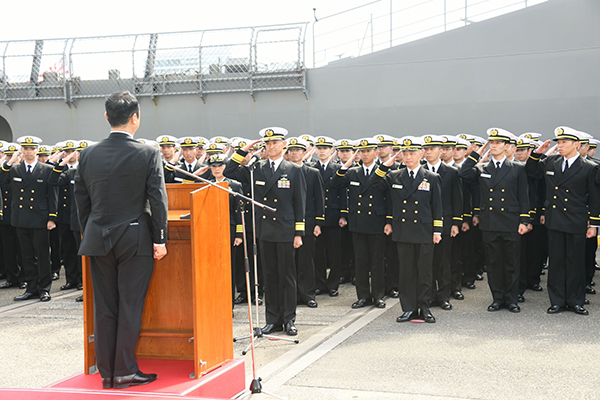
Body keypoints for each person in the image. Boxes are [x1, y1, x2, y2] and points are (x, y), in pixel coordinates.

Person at [75, 91, 168, 389]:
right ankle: (125, 370)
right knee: (130, 304)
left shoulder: (88, 153)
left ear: (106, 117)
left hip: (97, 236)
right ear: (135, 118)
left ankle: (107, 373)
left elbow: (82, 200)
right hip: (134, 236)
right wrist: (160, 238)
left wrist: (88, 229)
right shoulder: (148, 153)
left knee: (105, 306)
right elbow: (157, 199)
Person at [224, 127, 306, 336]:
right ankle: (273, 320)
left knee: (287, 276)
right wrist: (245, 149)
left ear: (283, 145)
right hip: (266, 230)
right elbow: (229, 171)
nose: (271, 147)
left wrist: (298, 233)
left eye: (275, 143)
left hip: (286, 229)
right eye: (267, 144)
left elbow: (300, 203)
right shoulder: (256, 168)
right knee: (269, 276)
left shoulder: (294, 169)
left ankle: (289, 319)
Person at [526, 126, 600, 315]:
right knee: (557, 262)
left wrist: (594, 224)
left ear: (576, 144)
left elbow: (594, 198)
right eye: (558, 142)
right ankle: (557, 301)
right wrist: (536, 154)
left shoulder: (589, 167)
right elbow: (531, 171)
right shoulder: (551, 162)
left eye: (564, 142)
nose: (560, 146)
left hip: (576, 220)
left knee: (575, 262)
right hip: (556, 219)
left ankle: (576, 301)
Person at [371, 136, 443, 323]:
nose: (409, 157)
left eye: (412, 153)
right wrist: (387, 164)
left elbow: (437, 207)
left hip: (425, 231)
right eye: (405, 153)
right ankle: (409, 308)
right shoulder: (395, 176)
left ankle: (425, 307)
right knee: (406, 272)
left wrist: (437, 231)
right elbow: (373, 184)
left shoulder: (431, 177)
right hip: (403, 231)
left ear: (421, 154)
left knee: (425, 272)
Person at [459, 128, 530, 313]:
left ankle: (512, 299)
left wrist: (524, 220)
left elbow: (524, 197)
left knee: (511, 262)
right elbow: (464, 173)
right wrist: (477, 154)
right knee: (493, 263)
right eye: (492, 143)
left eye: (498, 143)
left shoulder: (518, 168)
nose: (494, 146)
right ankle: (497, 298)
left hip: (511, 222)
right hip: (490, 222)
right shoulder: (482, 168)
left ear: (507, 146)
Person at [331, 137, 388, 309]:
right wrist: (345, 166)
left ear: (375, 153)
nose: (365, 154)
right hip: (358, 222)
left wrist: (389, 221)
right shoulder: (353, 172)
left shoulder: (383, 171)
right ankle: (363, 296)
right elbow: (335, 183)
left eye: (368, 151)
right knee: (361, 261)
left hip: (377, 222)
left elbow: (389, 198)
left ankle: (378, 295)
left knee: (377, 261)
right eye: (362, 151)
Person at [0, 136, 58, 302]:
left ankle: (44, 289)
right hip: (21, 218)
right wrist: (9, 161)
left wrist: (52, 218)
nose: (29, 152)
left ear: (37, 150)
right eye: (25, 149)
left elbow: (52, 195)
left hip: (40, 218)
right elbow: (1, 179)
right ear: (22, 151)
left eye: (32, 149)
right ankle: (31, 288)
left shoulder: (46, 169)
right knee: (26, 256)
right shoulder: (14, 169)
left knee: (42, 255)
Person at [422, 135, 463, 311]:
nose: (428, 152)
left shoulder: (452, 172)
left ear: (441, 151)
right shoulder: (420, 171)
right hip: (424, 224)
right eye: (426, 149)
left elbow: (457, 199)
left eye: (432, 149)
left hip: (445, 223)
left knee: (444, 261)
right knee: (427, 262)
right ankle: (430, 295)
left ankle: (444, 296)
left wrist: (456, 223)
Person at [287, 137, 325, 307]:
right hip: (288, 223)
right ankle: (292, 295)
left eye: (298, 150)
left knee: (306, 260)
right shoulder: (284, 171)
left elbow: (319, 199)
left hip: (308, 222)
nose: (295, 153)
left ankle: (308, 294)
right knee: (290, 261)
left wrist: (318, 222)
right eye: (292, 150)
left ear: (304, 153)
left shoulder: (313, 173)